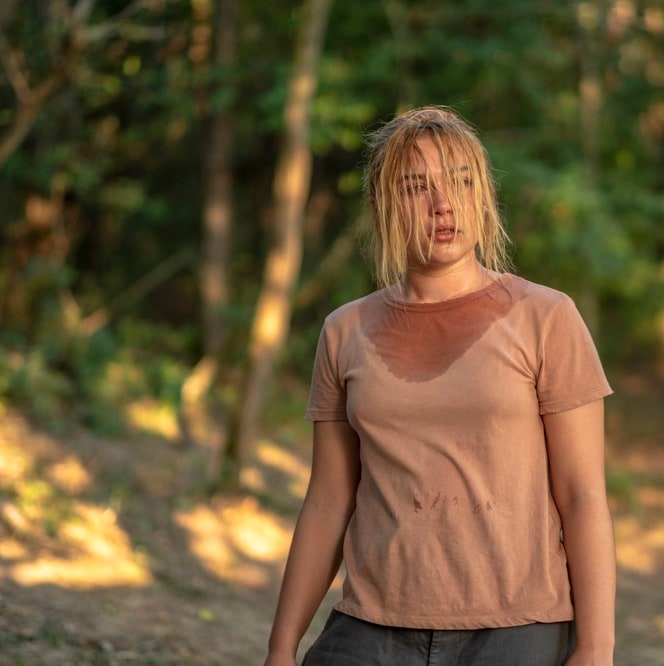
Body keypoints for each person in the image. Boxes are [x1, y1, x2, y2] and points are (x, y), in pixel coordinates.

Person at [263, 105, 616, 666]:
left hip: (517, 628)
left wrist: (596, 648)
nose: (442, 203)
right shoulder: (345, 330)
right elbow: (328, 500)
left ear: (484, 196)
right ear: (382, 207)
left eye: (460, 182)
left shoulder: (546, 318)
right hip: (373, 627)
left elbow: (582, 494)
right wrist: (281, 647)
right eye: (415, 187)